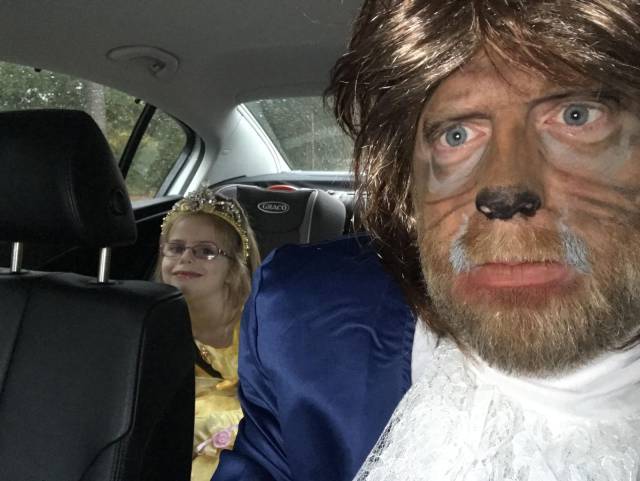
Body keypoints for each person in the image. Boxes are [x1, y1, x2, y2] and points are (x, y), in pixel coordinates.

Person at [213, 0, 640, 480]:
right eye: (456, 135)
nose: (504, 192)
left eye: (577, 116)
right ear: (409, 187)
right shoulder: (301, 330)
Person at [157, 187, 260, 481]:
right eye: (176, 248)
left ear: (233, 266)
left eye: (205, 251)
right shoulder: (150, 328)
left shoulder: (260, 326)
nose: (186, 258)